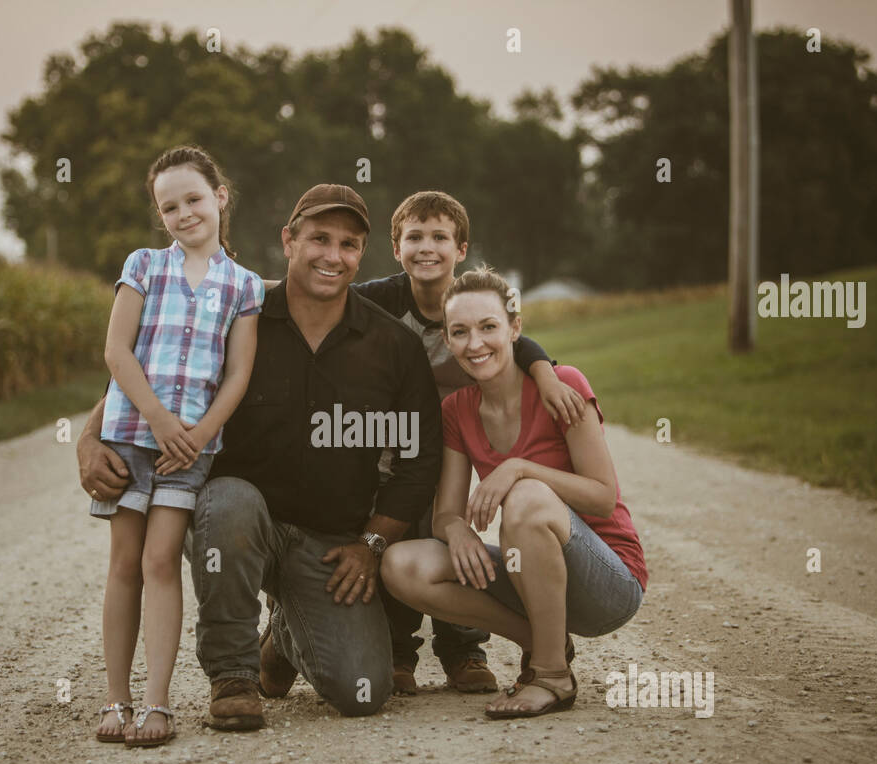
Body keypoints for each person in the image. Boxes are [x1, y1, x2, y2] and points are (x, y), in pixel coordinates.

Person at [79, 183, 442, 730]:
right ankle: (233, 674)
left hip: (328, 541)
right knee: (228, 500)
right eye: (318, 238)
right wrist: (90, 434)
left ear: (361, 255)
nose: (332, 256)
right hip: (238, 520)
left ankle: (283, 637)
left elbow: (419, 464)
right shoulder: (240, 309)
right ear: (288, 241)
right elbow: (163, 371)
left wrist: (371, 544)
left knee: (362, 690)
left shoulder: (392, 346)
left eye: (348, 245)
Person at [380, 266, 648, 718]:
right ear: (447, 340)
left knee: (525, 496)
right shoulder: (457, 410)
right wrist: (458, 531)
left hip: (608, 581)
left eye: (488, 327)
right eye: (460, 332)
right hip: (536, 574)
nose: (475, 343)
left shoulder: (563, 386)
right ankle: (543, 639)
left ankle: (551, 676)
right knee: (401, 563)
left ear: (515, 328)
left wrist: (518, 467)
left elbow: (603, 497)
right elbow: (446, 512)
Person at [352, 190, 588, 695]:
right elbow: (323, 298)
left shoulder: (470, 302)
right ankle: (398, 651)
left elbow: (516, 339)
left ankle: (464, 648)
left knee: (451, 525)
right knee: (401, 526)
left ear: (461, 249)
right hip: (402, 444)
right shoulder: (381, 299)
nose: (426, 247)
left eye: (440, 236)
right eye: (414, 237)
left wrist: (545, 376)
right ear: (396, 248)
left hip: (456, 435)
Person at [88, 145, 263, 747]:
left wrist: (201, 432)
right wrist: (159, 419)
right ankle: (117, 697)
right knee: (125, 564)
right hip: (135, 435)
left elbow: (237, 374)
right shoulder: (144, 267)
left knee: (162, 562)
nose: (184, 213)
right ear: (159, 216)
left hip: (192, 448)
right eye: (169, 206)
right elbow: (117, 352)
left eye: (193, 199)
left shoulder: (242, 286)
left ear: (220, 196)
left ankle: (159, 702)